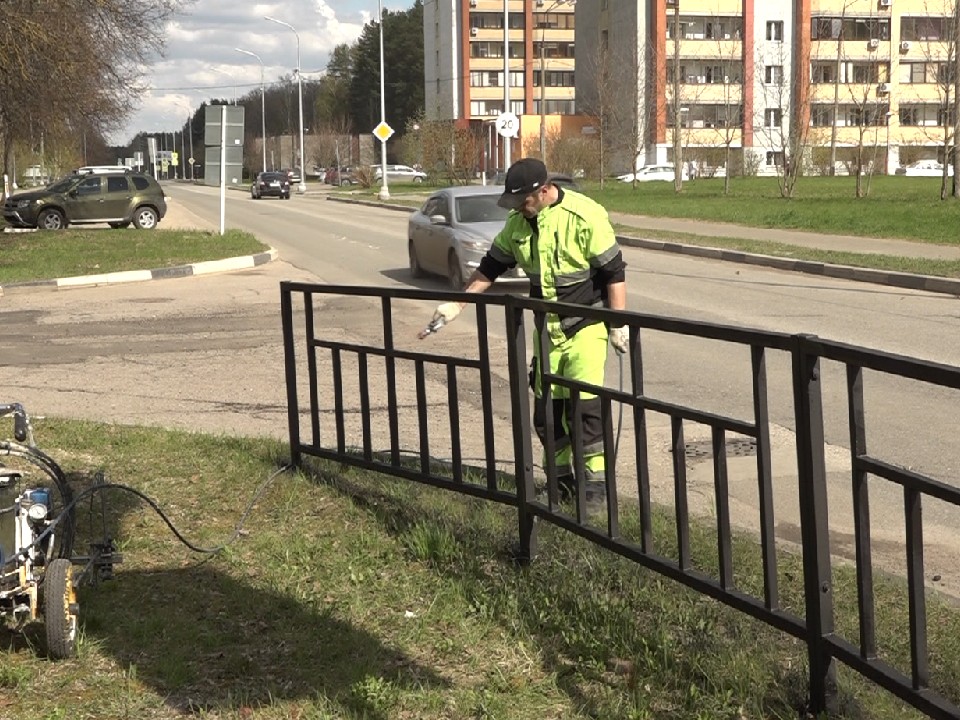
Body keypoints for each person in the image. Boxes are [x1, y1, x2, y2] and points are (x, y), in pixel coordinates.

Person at [425, 157, 629, 509]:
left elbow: (614, 271)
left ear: (544, 189)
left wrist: (618, 323)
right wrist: (457, 305)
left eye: (525, 200)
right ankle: (562, 483)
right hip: (546, 330)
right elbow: (490, 267)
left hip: (586, 327)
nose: (519, 207)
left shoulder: (585, 215)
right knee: (548, 414)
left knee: (586, 410)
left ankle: (595, 488)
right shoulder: (518, 223)